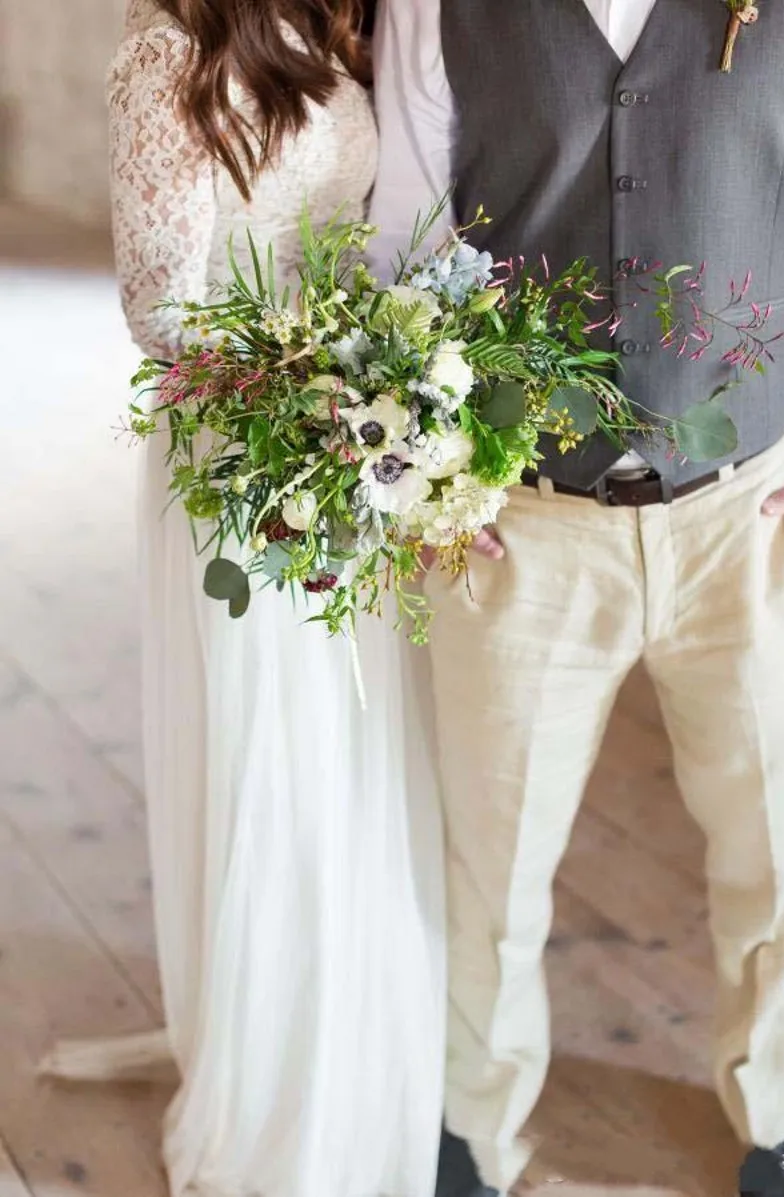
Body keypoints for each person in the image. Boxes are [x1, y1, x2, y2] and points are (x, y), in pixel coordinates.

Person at [369, 2, 784, 1195]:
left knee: (781, 843)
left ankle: (782, 1114)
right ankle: (470, 1129)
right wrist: (424, 468)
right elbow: (405, 224)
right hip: (523, 525)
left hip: (748, 506)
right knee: (490, 863)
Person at [41, 3, 446, 1195]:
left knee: (364, 758)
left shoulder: (340, 26)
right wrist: (311, 409)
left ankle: (363, 1053)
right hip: (246, 463)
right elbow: (162, 310)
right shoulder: (169, 51)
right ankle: (280, 1097)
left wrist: (394, 396)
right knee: (278, 760)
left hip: (361, 453)